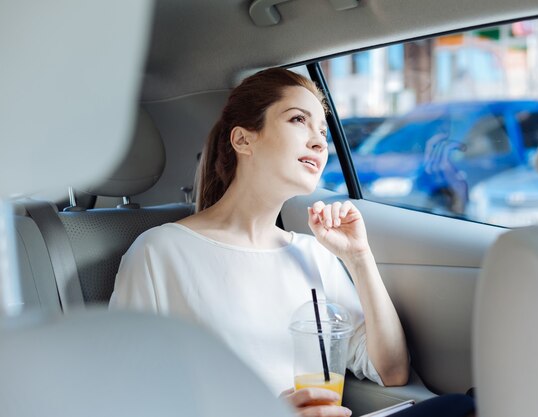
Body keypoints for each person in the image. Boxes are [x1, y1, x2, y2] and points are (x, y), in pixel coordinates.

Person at [109, 68, 475, 417]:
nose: (318, 141)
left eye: (323, 132)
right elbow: (126, 399)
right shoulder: (159, 253)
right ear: (243, 139)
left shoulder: (313, 253)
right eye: (298, 120)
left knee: (468, 406)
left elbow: (392, 371)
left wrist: (359, 259)